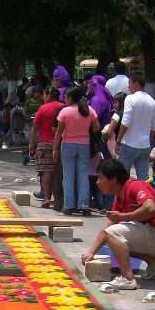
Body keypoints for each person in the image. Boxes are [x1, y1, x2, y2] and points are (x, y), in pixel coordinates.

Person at [79, 159, 155, 290]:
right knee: (114, 238)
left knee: (114, 234)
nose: (97, 182)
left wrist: (123, 216)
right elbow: (106, 229)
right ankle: (153, 262)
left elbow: (150, 208)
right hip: (152, 235)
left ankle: (127, 278)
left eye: (100, 178)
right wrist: (91, 253)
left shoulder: (135, 186)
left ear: (113, 179)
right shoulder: (119, 196)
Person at [53, 86, 99, 216]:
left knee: (68, 176)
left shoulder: (65, 112)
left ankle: (68, 205)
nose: (65, 99)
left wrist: (55, 148)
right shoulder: (89, 110)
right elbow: (97, 127)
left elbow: (59, 132)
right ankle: (84, 205)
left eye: (66, 97)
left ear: (71, 98)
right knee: (83, 176)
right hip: (84, 145)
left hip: (68, 145)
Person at [116, 71, 155, 180]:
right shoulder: (152, 102)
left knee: (122, 177)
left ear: (136, 83)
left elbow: (125, 122)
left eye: (130, 83)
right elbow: (154, 128)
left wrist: (118, 141)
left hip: (129, 143)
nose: (128, 86)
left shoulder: (130, 99)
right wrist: (148, 142)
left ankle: (124, 197)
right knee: (144, 178)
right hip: (144, 145)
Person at [29, 86, 64, 208]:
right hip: (60, 142)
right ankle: (58, 198)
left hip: (45, 143)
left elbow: (35, 128)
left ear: (48, 95)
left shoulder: (43, 108)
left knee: (46, 172)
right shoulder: (63, 107)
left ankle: (46, 198)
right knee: (58, 172)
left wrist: (31, 143)